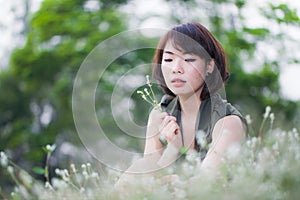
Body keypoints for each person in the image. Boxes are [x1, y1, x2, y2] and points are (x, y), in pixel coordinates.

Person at [116, 22, 247, 186]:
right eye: (169, 59)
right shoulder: (160, 114)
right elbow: (146, 178)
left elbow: (206, 185)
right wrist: (172, 149)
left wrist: (171, 183)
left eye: (188, 59)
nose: (176, 68)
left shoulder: (227, 122)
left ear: (210, 66)